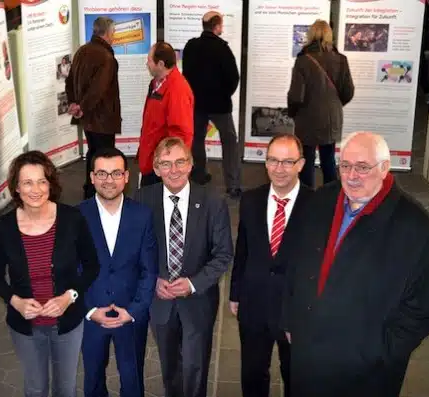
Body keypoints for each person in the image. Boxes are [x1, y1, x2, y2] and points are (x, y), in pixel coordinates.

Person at [282, 131, 429, 396]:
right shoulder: (320, 201)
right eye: (345, 166)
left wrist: (379, 351)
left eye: (362, 167)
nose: (351, 176)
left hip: (365, 373)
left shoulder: (418, 230)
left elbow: (426, 308)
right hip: (307, 358)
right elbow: (293, 264)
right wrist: (290, 320)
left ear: (384, 168)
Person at [0, 150, 100, 397]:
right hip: (26, 326)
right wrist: (15, 301)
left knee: (65, 389)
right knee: (36, 388)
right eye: (27, 182)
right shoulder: (4, 227)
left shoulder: (72, 219)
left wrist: (68, 297)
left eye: (42, 181)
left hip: (68, 322)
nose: (35, 189)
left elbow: (92, 265)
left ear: (51, 183)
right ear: (16, 188)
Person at [134, 137, 233, 397]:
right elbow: (133, 252)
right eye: (165, 164)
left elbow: (223, 254)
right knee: (169, 366)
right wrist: (153, 280)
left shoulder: (212, 201)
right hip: (160, 300)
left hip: (198, 300)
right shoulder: (142, 200)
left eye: (180, 162)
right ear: (155, 169)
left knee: (195, 367)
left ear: (191, 164)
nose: (174, 170)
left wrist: (192, 284)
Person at [229, 133, 311, 397]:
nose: (279, 169)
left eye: (288, 162)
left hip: (295, 309)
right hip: (254, 304)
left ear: (301, 164)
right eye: (273, 160)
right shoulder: (251, 200)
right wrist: (235, 292)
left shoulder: (317, 205)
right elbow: (243, 249)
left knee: (295, 375)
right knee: (253, 374)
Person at [79, 147, 158, 397]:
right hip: (92, 316)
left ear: (126, 176)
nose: (109, 180)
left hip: (131, 315)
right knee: (92, 380)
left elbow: (149, 270)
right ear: (91, 177)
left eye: (115, 173)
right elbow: (71, 271)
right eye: (102, 173)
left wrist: (134, 311)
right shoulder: (76, 216)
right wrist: (89, 311)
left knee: (133, 378)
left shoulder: (143, 215)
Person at [287, 19, 354, 189]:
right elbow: (348, 91)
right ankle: (330, 199)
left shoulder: (303, 60)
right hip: (331, 118)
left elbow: (296, 96)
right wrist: (334, 105)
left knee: (306, 161)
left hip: (307, 117)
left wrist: (293, 113)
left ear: (311, 35)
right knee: (328, 159)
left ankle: (307, 198)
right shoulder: (341, 59)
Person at [182, 11, 242, 197]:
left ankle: (199, 174)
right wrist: (224, 95)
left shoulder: (191, 46)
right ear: (217, 27)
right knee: (230, 142)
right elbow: (233, 77)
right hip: (220, 105)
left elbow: (186, 73)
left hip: (197, 103)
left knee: (197, 139)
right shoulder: (222, 48)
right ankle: (232, 184)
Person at [65, 16, 120, 199]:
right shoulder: (106, 57)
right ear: (108, 32)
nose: (114, 36)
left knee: (93, 153)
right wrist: (82, 107)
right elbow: (99, 89)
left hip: (87, 119)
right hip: (102, 119)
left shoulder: (82, 51)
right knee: (103, 157)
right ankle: (99, 193)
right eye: (113, 33)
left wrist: (75, 103)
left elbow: (69, 80)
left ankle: (89, 191)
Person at [138, 42, 194, 187]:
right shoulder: (157, 84)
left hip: (161, 166)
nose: (147, 63)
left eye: (149, 60)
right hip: (151, 159)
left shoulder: (177, 90)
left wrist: (168, 166)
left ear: (161, 64)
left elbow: (181, 133)